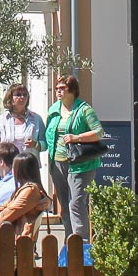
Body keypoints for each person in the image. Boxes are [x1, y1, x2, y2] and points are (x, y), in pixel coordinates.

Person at [44, 75, 104, 240]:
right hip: (57, 163)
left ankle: (81, 244)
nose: (58, 91)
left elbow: (99, 132)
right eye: (57, 88)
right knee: (64, 206)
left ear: (72, 90)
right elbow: (50, 136)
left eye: (62, 88)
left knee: (76, 203)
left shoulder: (84, 109)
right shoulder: (54, 110)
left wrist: (77, 138)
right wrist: (37, 145)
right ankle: (69, 241)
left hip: (81, 164)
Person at [0, 151, 48, 235]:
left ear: (20, 170)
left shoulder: (30, 190)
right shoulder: (24, 188)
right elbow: (5, 206)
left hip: (14, 240)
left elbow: (6, 216)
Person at [0, 83, 46, 153]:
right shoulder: (2, 120)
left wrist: (35, 144)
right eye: (18, 95)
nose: (22, 97)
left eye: (25, 95)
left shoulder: (36, 119)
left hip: (29, 162)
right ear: (10, 98)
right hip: (8, 162)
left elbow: (45, 144)